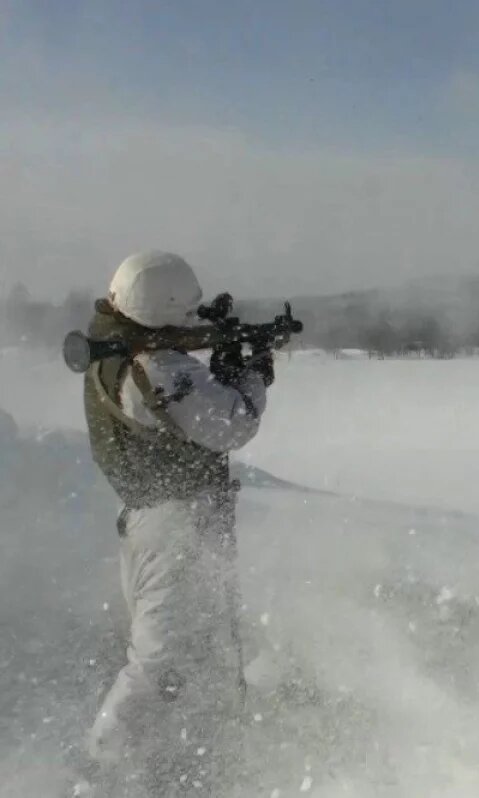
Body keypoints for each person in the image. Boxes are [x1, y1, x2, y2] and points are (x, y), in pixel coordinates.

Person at [73, 251, 273, 797]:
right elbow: (232, 424)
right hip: (175, 527)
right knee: (158, 663)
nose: (191, 320)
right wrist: (252, 374)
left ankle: (177, 767)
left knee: (193, 651)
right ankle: (99, 777)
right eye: (184, 311)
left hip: (151, 521)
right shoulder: (154, 366)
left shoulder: (113, 346)